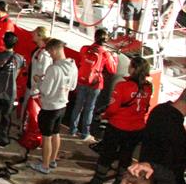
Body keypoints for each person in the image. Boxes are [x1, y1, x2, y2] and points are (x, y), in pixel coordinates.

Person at [89, 56, 152, 184]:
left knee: (107, 153)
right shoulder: (148, 88)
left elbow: (112, 109)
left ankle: (98, 180)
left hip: (118, 126)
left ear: (133, 69)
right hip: (137, 128)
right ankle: (119, 182)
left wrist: (103, 115)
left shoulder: (123, 86)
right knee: (126, 156)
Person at [139, 88, 186, 184]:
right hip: (161, 181)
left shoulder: (159, 110)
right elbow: (175, 165)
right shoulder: (177, 131)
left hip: (145, 172)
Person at [30, 39, 77, 174]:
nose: (49, 56)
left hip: (50, 106)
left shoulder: (53, 69)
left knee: (46, 136)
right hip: (62, 105)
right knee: (56, 133)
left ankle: (44, 166)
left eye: (50, 53)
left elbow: (45, 90)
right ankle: (52, 159)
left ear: (54, 50)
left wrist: (39, 81)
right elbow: (73, 86)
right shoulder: (73, 66)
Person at [68, 28, 117, 141]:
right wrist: (114, 57)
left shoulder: (85, 48)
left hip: (82, 80)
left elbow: (82, 59)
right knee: (89, 108)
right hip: (95, 83)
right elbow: (112, 69)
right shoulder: (105, 54)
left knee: (77, 106)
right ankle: (85, 133)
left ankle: (72, 129)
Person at [0, 32, 25, 146]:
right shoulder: (20, 58)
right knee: (6, 117)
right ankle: (3, 139)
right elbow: (20, 71)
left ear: (3, 42)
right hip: (10, 92)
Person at [19, 26, 52, 128]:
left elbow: (43, 73)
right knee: (26, 107)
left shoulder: (44, 54)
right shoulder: (40, 50)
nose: (32, 34)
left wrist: (37, 88)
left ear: (40, 36)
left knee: (30, 110)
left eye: (34, 33)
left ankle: (26, 129)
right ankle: (23, 127)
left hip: (35, 88)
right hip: (32, 85)